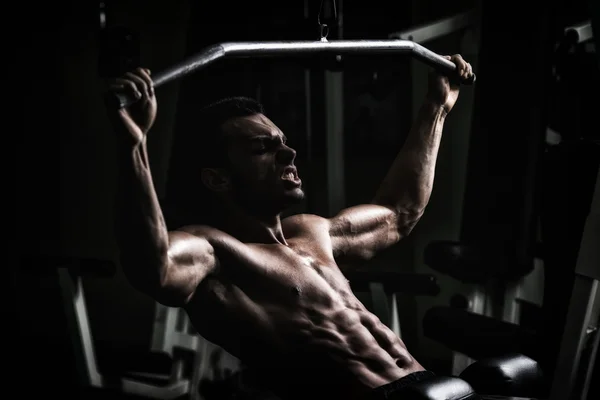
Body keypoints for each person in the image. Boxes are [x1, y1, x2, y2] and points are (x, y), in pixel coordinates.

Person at [108, 54, 473, 400]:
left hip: (430, 385)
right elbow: (153, 268)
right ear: (218, 179)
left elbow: (399, 212)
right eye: (262, 148)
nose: (289, 153)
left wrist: (437, 106)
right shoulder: (215, 251)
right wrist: (134, 147)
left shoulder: (311, 233)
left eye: (283, 142)